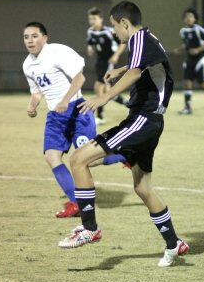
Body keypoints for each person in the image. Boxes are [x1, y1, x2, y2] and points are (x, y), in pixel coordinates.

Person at [58, 1, 189, 268]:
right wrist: (120, 71)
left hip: (142, 120)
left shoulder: (138, 38)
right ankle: (174, 243)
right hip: (150, 121)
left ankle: (89, 228)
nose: (115, 32)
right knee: (142, 187)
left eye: (115, 26)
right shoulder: (149, 38)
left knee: (78, 159)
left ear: (125, 23)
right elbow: (153, 68)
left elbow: (138, 70)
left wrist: (104, 96)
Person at [23, 21, 126, 219]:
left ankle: (125, 155)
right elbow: (37, 92)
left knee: (87, 160)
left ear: (45, 38)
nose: (30, 40)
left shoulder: (57, 52)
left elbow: (79, 79)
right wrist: (32, 105)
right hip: (55, 116)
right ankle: (76, 202)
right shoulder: (28, 64)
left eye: (34, 36)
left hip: (77, 110)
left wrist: (65, 100)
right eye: (26, 37)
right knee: (51, 157)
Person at [86, 7, 127, 124]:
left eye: (94, 18)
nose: (92, 21)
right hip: (99, 62)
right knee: (108, 92)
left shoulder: (109, 31)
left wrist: (116, 56)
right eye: (90, 19)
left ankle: (100, 116)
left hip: (109, 62)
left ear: (101, 19)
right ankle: (128, 104)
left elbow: (122, 43)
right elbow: (90, 42)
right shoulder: (90, 31)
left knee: (98, 87)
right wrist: (90, 48)